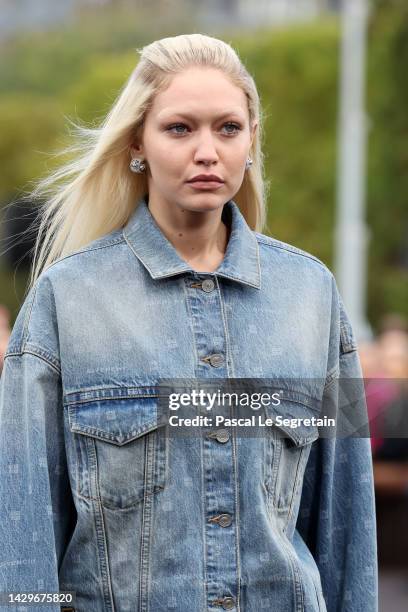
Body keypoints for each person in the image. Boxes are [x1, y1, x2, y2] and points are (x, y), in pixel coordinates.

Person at [0, 34, 377, 612]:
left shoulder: (312, 296)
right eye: (180, 128)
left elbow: (345, 520)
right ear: (137, 144)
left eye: (228, 128)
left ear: (251, 140)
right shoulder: (65, 301)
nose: (208, 151)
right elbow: (24, 528)